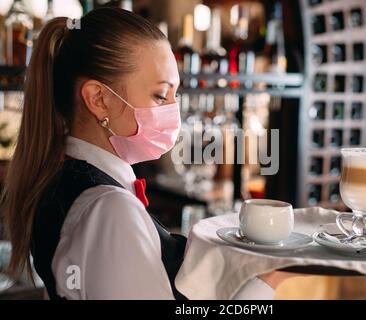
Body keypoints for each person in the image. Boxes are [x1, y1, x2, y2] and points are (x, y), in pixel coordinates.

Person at [2, 8, 296, 300]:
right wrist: (268, 281)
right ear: (98, 99)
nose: (174, 111)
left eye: (174, 96)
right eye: (160, 95)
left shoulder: (59, 176)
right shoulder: (110, 208)